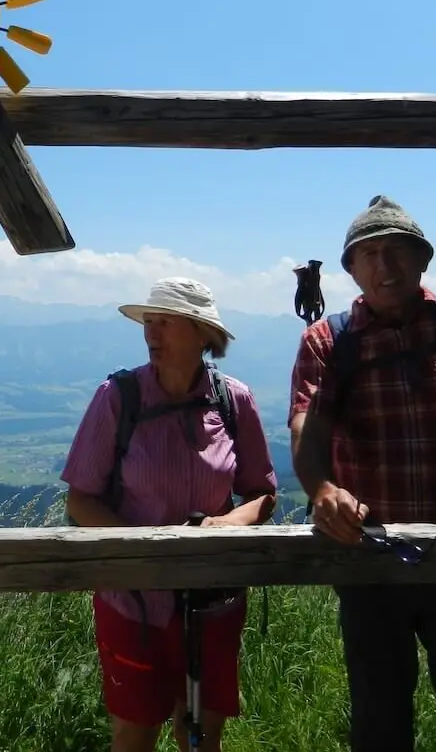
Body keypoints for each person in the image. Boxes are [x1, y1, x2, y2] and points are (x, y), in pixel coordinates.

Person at [288, 195, 436, 752]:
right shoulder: (328, 342)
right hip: (370, 560)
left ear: (422, 260)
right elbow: (306, 430)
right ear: (351, 271)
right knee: (380, 722)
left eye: (396, 252)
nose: (383, 266)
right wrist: (322, 490)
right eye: (367, 255)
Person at [61, 276, 278, 752]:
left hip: (214, 602)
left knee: (202, 737)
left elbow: (262, 493)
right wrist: (148, 548)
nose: (151, 333)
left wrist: (222, 527)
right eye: (148, 322)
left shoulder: (233, 400)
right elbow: (80, 499)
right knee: (133, 735)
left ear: (202, 333)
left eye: (166, 323)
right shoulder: (119, 397)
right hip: (133, 603)